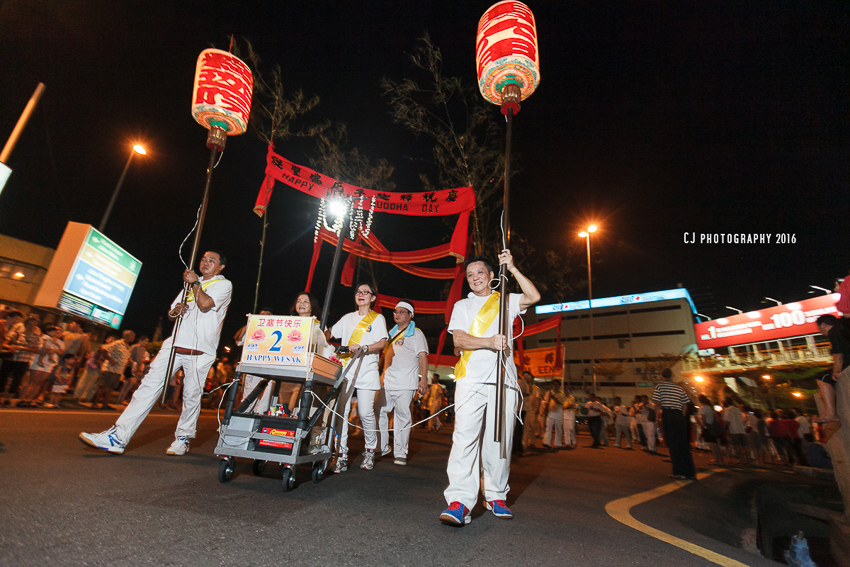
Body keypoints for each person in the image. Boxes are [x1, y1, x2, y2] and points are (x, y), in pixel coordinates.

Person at [80, 250, 232, 455]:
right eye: (203, 259)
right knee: (147, 387)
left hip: (201, 350)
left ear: (220, 267)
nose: (205, 263)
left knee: (191, 394)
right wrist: (175, 311)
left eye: (211, 260)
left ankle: (183, 438)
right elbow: (172, 314)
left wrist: (196, 283)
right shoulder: (189, 284)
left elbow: (204, 305)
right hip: (175, 344)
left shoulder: (223, 285)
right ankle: (118, 437)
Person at [440, 250, 540, 526]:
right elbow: (458, 340)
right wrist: (489, 342)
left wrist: (514, 268)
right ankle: (460, 501)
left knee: (500, 439)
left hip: (503, 379)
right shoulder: (462, 306)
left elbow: (533, 297)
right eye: (470, 275)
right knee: (465, 438)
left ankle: (496, 494)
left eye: (480, 273)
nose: (474, 278)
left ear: (492, 276)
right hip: (470, 379)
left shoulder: (505, 300)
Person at [329, 282, 388, 473]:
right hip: (347, 369)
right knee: (342, 413)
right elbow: (329, 333)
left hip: (367, 370)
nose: (361, 295)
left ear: (372, 298)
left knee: (365, 413)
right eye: (358, 292)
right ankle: (341, 454)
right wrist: (315, 334)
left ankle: (370, 450)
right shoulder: (347, 318)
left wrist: (364, 347)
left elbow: (381, 343)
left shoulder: (377, 319)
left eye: (366, 292)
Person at [377, 300, 429, 466]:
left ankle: (400, 453)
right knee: (379, 410)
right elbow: (384, 357)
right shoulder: (390, 334)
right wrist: (381, 375)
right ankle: (382, 445)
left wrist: (424, 379)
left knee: (402, 417)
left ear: (410, 315)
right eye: (395, 312)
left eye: (401, 312)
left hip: (406, 383)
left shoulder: (417, 333)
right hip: (388, 381)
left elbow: (423, 356)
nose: (397, 314)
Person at [652, 368, 696, 480]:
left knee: (673, 444)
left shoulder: (660, 387)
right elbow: (685, 405)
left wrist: (657, 419)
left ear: (662, 376)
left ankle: (678, 472)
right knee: (683, 444)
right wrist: (681, 415)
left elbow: (657, 404)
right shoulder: (679, 388)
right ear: (672, 376)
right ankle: (690, 472)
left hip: (668, 414)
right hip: (679, 415)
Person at [235, 308, 274, 414]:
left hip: (270, 369)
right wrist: (250, 323)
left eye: (267, 314)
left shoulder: (275, 331)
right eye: (261, 314)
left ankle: (258, 421)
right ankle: (241, 417)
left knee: (265, 399)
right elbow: (238, 340)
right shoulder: (253, 330)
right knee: (249, 395)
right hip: (253, 368)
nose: (264, 316)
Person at [814, 315, 846, 439]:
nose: (820, 331)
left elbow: (838, 354)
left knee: (821, 377)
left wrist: (836, 371)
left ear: (823, 325)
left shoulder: (834, 331)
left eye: (819, 328)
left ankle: (831, 412)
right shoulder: (843, 328)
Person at [19, 325, 64, 407]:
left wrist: (55, 349)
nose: (57, 333)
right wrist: (50, 349)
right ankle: (21, 399)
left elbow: (61, 352)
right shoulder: (44, 338)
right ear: (48, 332)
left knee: (39, 382)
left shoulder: (60, 342)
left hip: (49, 364)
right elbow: (40, 349)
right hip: (38, 361)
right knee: (31, 380)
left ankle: (30, 400)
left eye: (58, 331)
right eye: (55, 331)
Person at [89, 330, 135, 410]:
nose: (133, 338)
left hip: (118, 371)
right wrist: (110, 360)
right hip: (109, 369)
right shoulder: (117, 343)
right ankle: (94, 403)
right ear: (127, 336)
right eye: (132, 336)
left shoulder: (127, 347)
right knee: (102, 387)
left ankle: (105, 404)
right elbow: (103, 349)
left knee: (111, 388)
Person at [1, 315, 41, 406]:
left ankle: (9, 399)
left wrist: (19, 347)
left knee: (17, 380)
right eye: (30, 324)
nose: (31, 326)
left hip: (23, 360)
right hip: (10, 358)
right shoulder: (18, 333)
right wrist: (10, 346)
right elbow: (5, 343)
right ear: (26, 324)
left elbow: (35, 350)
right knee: (3, 377)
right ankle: (2, 398)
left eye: (34, 325)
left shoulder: (35, 337)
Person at [698, 394, 723, 466]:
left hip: (707, 428)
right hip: (712, 427)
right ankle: (719, 460)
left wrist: (702, 427)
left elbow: (703, 418)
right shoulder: (709, 408)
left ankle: (717, 461)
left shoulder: (702, 408)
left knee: (712, 445)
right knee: (715, 445)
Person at [722, 399, 749, 465]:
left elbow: (727, 421)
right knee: (744, 446)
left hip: (734, 430)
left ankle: (742, 460)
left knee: (737, 446)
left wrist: (725, 427)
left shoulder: (728, 410)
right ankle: (748, 460)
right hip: (741, 430)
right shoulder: (738, 410)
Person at [520, 371, 541, 451]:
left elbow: (538, 398)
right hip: (524, 408)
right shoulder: (522, 385)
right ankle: (524, 444)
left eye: (528, 376)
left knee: (532, 426)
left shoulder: (535, 388)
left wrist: (538, 408)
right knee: (525, 427)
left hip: (532, 409)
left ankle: (532, 442)